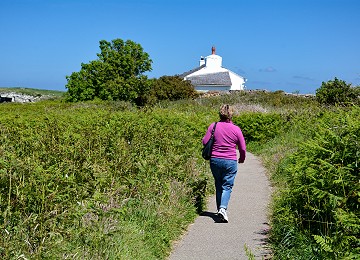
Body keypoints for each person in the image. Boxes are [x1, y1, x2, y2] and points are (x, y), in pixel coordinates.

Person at [202, 104, 246, 223]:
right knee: (227, 185)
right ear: (231, 115)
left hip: (215, 160)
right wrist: (242, 158)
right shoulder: (236, 129)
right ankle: (223, 208)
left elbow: (205, 141)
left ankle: (219, 210)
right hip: (230, 161)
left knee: (218, 184)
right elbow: (242, 148)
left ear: (220, 113)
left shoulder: (213, 126)